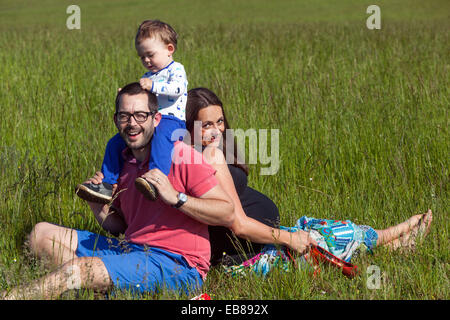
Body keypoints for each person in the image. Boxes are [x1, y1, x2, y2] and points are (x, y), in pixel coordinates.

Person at [2, 83, 238, 299]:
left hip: (176, 263)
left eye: (141, 115)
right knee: (40, 234)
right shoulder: (122, 162)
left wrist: (176, 198)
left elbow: (227, 213)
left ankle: (14, 296)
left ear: (156, 119)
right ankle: (93, 289)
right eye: (125, 116)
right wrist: (98, 208)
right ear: (116, 120)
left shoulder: (183, 156)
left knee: (79, 269)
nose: (132, 123)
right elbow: (122, 227)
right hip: (131, 250)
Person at [184, 87, 433, 266]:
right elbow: (238, 225)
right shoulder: (206, 158)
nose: (217, 131)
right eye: (206, 125)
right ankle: (393, 234)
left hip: (263, 237)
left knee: (321, 229)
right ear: (188, 127)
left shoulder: (209, 151)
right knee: (332, 237)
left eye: (220, 121)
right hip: (244, 255)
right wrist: (290, 238)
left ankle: (395, 247)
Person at [76, 20, 188, 203]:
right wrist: (127, 94)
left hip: (171, 120)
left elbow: (178, 89)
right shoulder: (147, 76)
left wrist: (153, 86)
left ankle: (155, 180)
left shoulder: (176, 70)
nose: (146, 60)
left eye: (150, 55)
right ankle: (107, 184)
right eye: (142, 57)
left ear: (169, 49)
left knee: (160, 139)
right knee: (115, 142)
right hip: (149, 120)